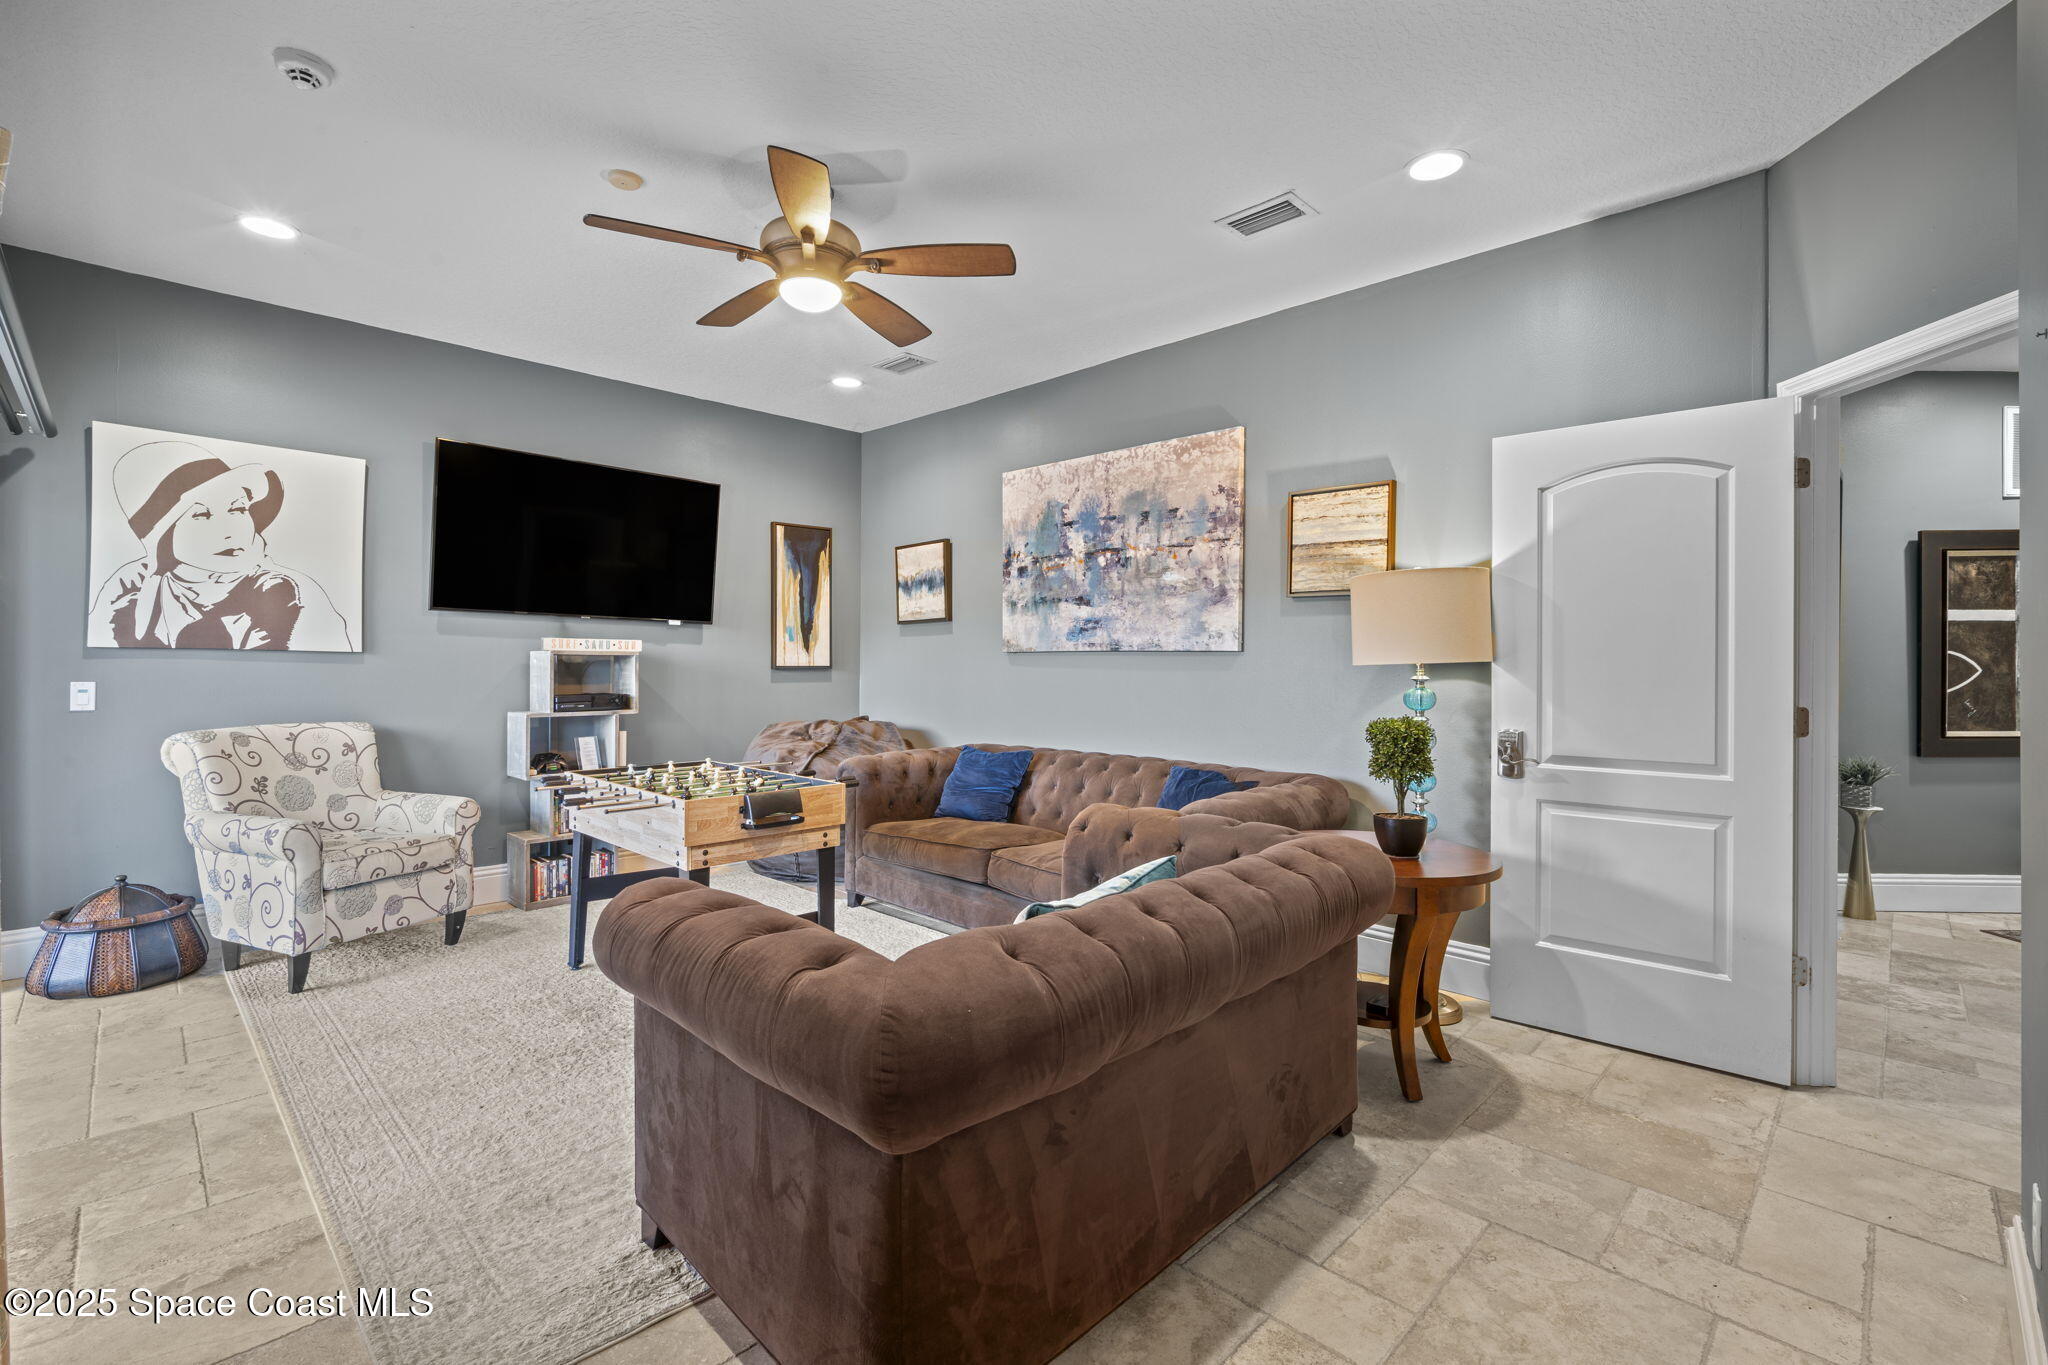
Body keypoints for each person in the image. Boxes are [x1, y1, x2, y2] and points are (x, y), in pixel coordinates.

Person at [88, 439, 354, 651]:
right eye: (201, 515)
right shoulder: (127, 589)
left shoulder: (294, 594)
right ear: (164, 536)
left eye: (238, 509)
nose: (229, 531)